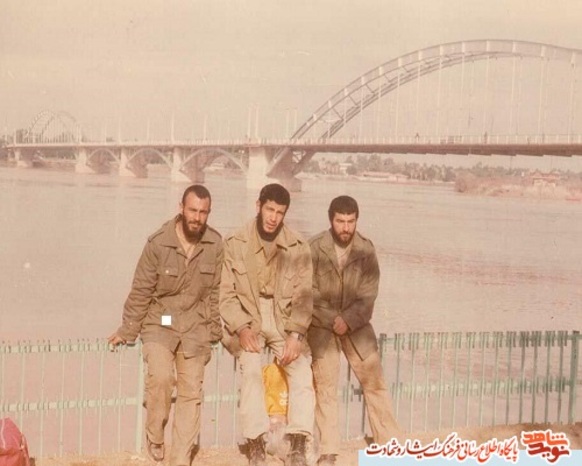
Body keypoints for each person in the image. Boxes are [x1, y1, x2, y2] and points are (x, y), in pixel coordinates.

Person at [108, 185, 223, 466]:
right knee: (160, 378)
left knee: (191, 393)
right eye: (192, 210)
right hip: (162, 320)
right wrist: (127, 330)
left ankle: (180, 459)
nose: (197, 218)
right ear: (181, 208)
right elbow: (141, 290)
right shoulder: (158, 243)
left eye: (203, 212)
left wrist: (214, 331)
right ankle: (155, 435)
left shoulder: (216, 244)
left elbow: (215, 292)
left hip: (194, 325)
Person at [220, 183, 314, 466]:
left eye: (280, 212)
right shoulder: (235, 242)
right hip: (248, 315)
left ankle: (298, 442)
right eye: (269, 209)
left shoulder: (298, 247)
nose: (273, 217)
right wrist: (241, 327)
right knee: (250, 370)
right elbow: (225, 295)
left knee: (301, 371)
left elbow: (304, 297)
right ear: (258, 206)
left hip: (282, 317)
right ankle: (256, 443)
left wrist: (296, 334)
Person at [308, 195, 400, 466]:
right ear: (331, 220)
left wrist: (347, 320)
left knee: (375, 384)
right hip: (323, 329)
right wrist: (332, 318)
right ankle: (328, 450)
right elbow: (308, 291)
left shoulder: (366, 250)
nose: (346, 228)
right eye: (340, 221)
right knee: (325, 388)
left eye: (351, 221)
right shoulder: (314, 247)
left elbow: (369, 295)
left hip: (357, 327)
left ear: (357, 220)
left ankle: (390, 444)